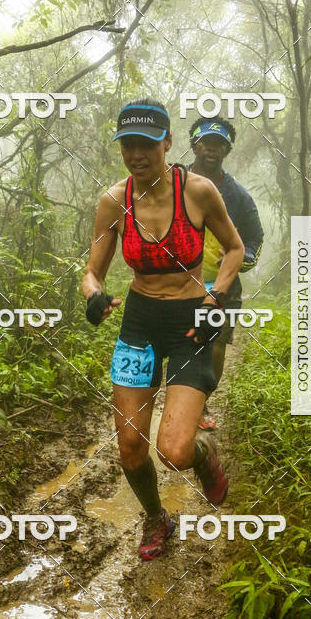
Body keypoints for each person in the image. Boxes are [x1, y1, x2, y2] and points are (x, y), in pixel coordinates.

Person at [82, 98, 244, 561]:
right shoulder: (113, 202)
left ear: (168, 143)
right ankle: (157, 518)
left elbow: (233, 248)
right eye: (128, 145)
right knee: (130, 447)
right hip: (139, 322)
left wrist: (218, 295)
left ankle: (202, 454)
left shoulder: (197, 192)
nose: (137, 155)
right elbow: (91, 271)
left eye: (147, 145)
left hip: (192, 322)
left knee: (173, 450)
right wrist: (93, 296)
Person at [187, 117, 264, 431]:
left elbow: (255, 237)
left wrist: (240, 258)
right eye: (205, 142)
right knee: (187, 344)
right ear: (195, 144)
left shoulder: (238, 196)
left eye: (219, 144)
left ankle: (201, 402)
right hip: (180, 283)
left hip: (224, 287)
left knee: (215, 345)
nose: (211, 149)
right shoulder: (173, 181)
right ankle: (178, 405)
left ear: (227, 149)